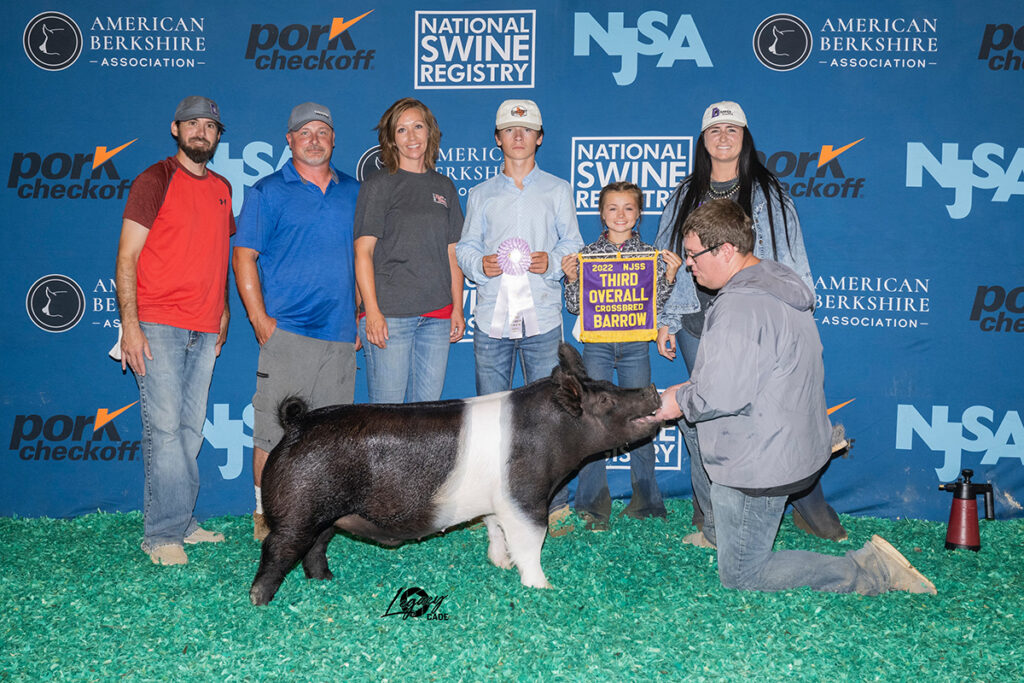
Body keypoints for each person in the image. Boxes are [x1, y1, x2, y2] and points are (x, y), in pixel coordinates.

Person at [656, 199, 935, 596]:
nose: (688, 265)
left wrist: (679, 400)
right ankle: (718, 533)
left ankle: (871, 570)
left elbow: (720, 394)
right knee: (694, 423)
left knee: (742, 576)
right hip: (795, 443)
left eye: (693, 254)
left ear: (727, 250)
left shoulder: (739, 306)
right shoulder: (774, 280)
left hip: (763, 461)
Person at [653, 100, 846, 545]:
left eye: (732, 129)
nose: (723, 137)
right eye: (714, 130)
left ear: (745, 137)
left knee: (774, 414)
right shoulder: (684, 195)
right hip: (697, 319)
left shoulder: (769, 193)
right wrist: (666, 318)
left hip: (755, 319)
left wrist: (798, 307)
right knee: (705, 416)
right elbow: (668, 260)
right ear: (703, 141)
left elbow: (792, 255)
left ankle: (812, 508)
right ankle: (710, 515)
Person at [456, 99, 584, 535]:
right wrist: (479, 265)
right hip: (491, 317)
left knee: (552, 411)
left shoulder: (558, 190)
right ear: (497, 139)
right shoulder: (481, 194)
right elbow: (466, 247)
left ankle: (556, 503)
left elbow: (574, 244)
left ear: (539, 138)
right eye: (510, 130)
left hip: (542, 316)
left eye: (527, 129)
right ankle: (488, 506)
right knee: (489, 416)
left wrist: (553, 261)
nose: (518, 136)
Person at [233, 102, 360, 541]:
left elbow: (364, 259)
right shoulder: (267, 191)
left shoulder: (354, 191)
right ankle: (264, 517)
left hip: (340, 336)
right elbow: (243, 257)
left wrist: (358, 314)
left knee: (331, 438)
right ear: (289, 140)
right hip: (287, 333)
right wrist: (259, 319)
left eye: (322, 131)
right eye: (304, 132)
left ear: (333, 139)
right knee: (272, 434)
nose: (314, 139)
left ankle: (319, 520)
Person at [115, 95, 233, 565]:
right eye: (193, 123)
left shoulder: (222, 187)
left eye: (210, 126)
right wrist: (130, 325)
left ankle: (182, 521)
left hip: (204, 326)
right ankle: (161, 534)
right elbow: (127, 256)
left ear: (217, 135)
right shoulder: (155, 179)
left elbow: (217, 253)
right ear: (175, 129)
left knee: (189, 430)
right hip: (158, 323)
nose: (201, 131)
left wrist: (223, 309)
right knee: (164, 430)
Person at [561, 182, 683, 530]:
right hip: (597, 345)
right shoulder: (586, 255)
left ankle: (647, 501)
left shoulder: (651, 255)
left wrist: (669, 276)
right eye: (613, 208)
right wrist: (572, 279)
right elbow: (575, 307)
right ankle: (592, 503)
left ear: (639, 213)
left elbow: (657, 306)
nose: (620, 215)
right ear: (601, 213)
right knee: (592, 419)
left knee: (643, 417)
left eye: (628, 208)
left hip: (634, 346)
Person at [354, 98, 465, 403]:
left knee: (426, 418)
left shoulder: (445, 187)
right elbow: (363, 252)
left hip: (437, 316)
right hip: (390, 316)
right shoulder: (378, 185)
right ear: (391, 139)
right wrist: (371, 311)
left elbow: (453, 253)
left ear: (430, 132)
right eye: (402, 130)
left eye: (418, 127)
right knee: (388, 418)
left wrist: (457, 308)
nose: (412, 136)